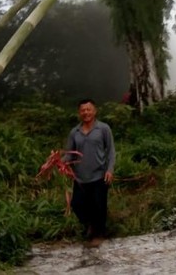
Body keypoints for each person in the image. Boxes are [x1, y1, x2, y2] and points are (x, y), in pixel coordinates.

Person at [65, 98, 115, 248]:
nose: (86, 112)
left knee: (99, 206)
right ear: (79, 113)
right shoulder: (75, 132)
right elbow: (69, 154)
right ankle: (90, 226)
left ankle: (98, 234)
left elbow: (111, 151)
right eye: (83, 110)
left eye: (89, 109)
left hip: (99, 175)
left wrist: (110, 170)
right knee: (77, 204)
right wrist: (58, 161)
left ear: (95, 111)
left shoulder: (103, 129)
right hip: (80, 178)